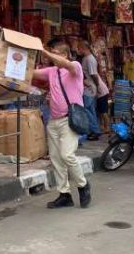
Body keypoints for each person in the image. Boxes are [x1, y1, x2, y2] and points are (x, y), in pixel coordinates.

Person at [32, 38, 91, 209]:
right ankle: (64, 194)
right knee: (56, 159)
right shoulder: (52, 71)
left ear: (65, 55)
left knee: (67, 155)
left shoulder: (75, 68)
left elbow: (62, 62)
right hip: (54, 121)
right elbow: (33, 74)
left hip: (68, 120)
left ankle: (83, 185)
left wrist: (43, 51)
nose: (52, 57)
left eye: (56, 54)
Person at [78, 41, 103, 140]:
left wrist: (97, 86)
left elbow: (94, 74)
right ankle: (93, 130)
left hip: (89, 88)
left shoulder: (89, 59)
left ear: (84, 47)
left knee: (88, 110)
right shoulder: (86, 58)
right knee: (90, 110)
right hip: (88, 87)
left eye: (79, 48)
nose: (78, 50)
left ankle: (95, 130)